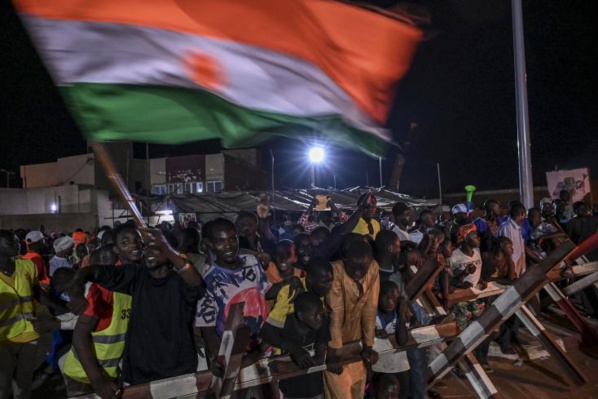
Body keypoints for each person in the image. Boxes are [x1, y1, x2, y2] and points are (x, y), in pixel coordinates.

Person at [67, 228, 204, 387]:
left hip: (179, 371)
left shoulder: (181, 283)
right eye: (146, 247)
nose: (148, 252)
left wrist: (166, 247)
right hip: (140, 374)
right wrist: (77, 287)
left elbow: (196, 284)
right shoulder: (136, 275)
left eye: (157, 247)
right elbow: (92, 271)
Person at [62, 224, 142, 397]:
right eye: (126, 242)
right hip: (84, 376)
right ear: (117, 250)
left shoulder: (138, 279)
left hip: (111, 374)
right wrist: (97, 380)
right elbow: (79, 335)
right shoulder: (106, 287)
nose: (134, 245)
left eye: (138, 241)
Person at [195, 218, 271, 366]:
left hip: (263, 348)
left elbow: (264, 292)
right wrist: (220, 359)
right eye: (220, 241)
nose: (228, 245)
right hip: (234, 355)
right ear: (210, 244)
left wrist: (287, 284)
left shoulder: (251, 262)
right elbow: (208, 328)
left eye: (232, 239)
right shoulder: (208, 279)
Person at [325, 240, 380, 399]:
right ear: (345, 260)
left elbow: (370, 308)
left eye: (362, 270)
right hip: (333, 344)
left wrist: (369, 345)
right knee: (339, 393)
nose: (357, 273)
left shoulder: (374, 269)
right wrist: (334, 351)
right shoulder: (335, 270)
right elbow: (335, 312)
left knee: (357, 391)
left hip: (357, 342)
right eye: (352, 268)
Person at [0, 230, 43, 399]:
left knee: (24, 386)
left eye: (17, 240)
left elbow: (37, 294)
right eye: (10, 242)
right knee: (3, 386)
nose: (17, 244)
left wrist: (61, 309)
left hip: (29, 334)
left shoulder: (27, 265)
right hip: (3, 339)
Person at [265, 291, 330, 399]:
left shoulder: (322, 324)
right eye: (315, 315)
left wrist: (287, 366)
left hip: (315, 389)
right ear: (300, 316)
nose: (320, 318)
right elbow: (267, 342)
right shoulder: (286, 325)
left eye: (321, 313)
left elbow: (320, 359)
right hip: (292, 391)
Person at [448, 224, 492, 372]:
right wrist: (461, 279)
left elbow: (478, 275)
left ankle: (481, 358)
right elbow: (450, 281)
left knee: (484, 329)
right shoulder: (455, 256)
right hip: (461, 301)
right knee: (462, 334)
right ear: (466, 239)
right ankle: (460, 364)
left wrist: (481, 280)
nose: (478, 238)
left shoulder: (477, 252)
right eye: (474, 236)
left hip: (477, 298)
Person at [372, 281, 410, 399]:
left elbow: (403, 341)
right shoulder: (372, 316)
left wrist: (401, 315)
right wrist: (374, 332)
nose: (390, 302)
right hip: (378, 367)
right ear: (377, 297)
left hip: (399, 367)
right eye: (385, 298)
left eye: (393, 299)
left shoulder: (400, 316)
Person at [498, 202, 527, 279]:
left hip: (518, 267)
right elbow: (506, 251)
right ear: (522, 213)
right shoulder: (507, 227)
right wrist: (511, 270)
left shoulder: (517, 228)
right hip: (511, 270)